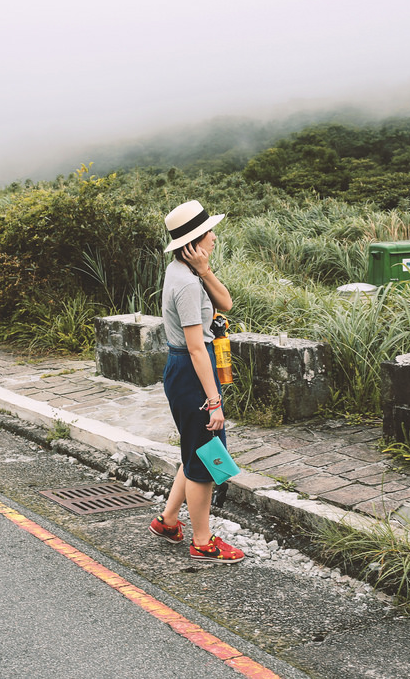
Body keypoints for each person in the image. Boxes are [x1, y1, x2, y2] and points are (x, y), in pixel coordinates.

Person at [148, 200, 245, 563]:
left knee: (195, 450)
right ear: (193, 241)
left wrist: (206, 270)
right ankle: (202, 541)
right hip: (192, 371)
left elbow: (227, 304)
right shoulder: (186, 284)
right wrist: (214, 401)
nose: (215, 237)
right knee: (207, 456)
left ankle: (168, 520)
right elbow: (195, 346)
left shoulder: (186, 272)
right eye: (208, 233)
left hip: (186, 370)